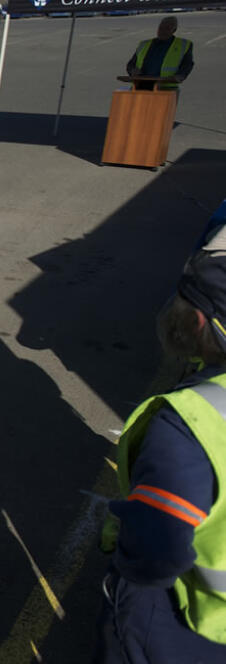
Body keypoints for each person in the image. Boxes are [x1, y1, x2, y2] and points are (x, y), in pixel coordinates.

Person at [93, 249, 226, 663]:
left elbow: (158, 547)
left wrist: (126, 567)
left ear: (198, 322)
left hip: (188, 625)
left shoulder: (188, 423)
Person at [125, 16, 194, 91]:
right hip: (141, 85)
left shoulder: (183, 45)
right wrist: (132, 71)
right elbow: (131, 64)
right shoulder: (144, 44)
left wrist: (180, 76)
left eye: (167, 28)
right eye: (161, 28)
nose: (162, 31)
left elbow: (187, 65)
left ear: (174, 30)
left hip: (167, 88)